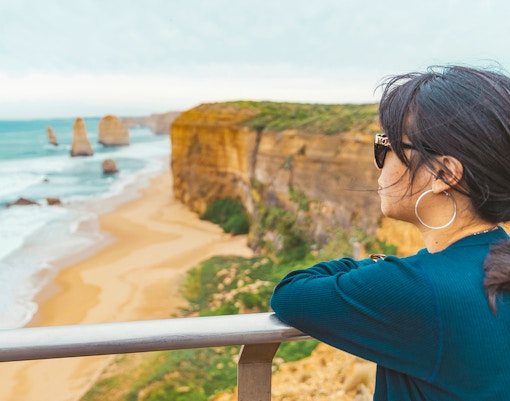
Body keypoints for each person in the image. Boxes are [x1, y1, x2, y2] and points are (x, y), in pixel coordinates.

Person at [270, 65, 510, 400]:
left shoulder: (419, 289)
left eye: (386, 145)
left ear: (443, 173)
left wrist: (381, 267)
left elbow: (291, 295)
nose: (380, 163)